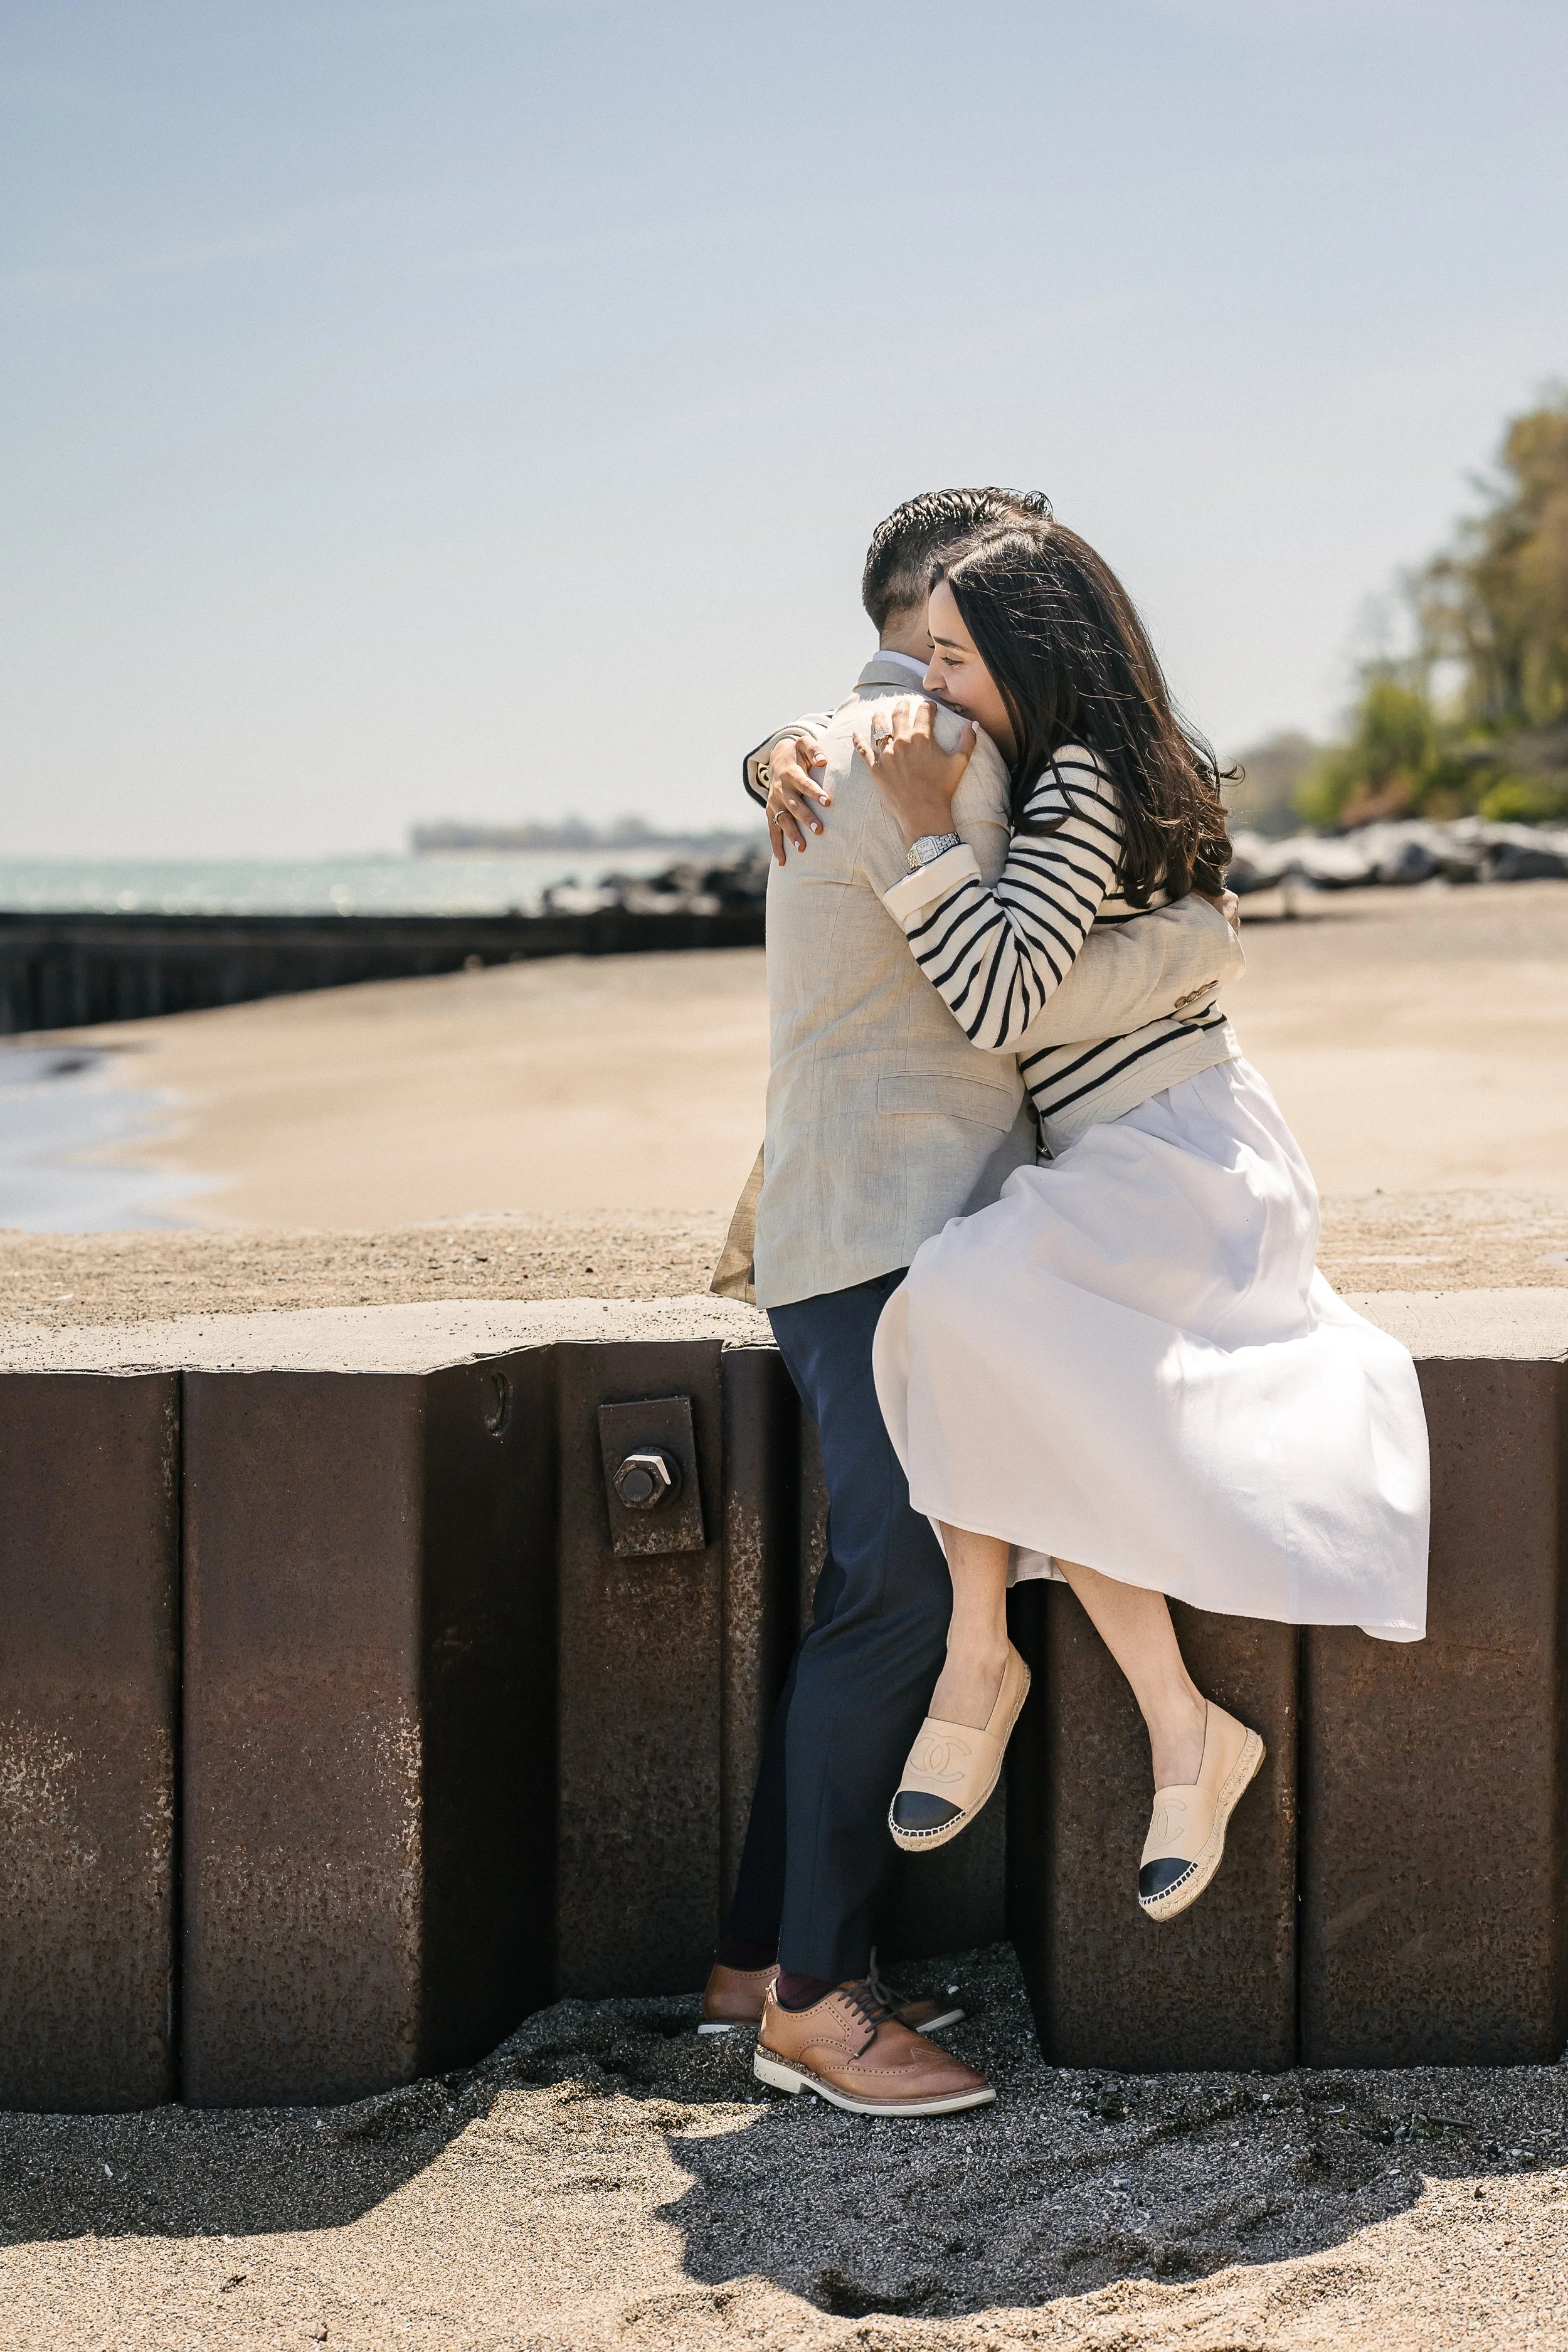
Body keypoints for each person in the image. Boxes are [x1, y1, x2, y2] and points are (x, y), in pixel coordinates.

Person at [704, 488, 1249, 2116]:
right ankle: (810, 2004)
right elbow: (1019, 993)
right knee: (888, 1591)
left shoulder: (837, 737)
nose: (971, 654)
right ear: (929, 610)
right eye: (956, 626)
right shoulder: (913, 750)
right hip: (888, 1238)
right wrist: (1201, 950)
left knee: (873, 1581)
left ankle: (759, 1954)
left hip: (865, 1232)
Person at [854, 520, 1429, 1928]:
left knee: (962, 1305)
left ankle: (983, 1657)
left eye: (950, 658)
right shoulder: (1068, 758)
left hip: (1174, 1159)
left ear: (1030, 657)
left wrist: (926, 832)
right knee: (1034, 1367)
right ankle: (1175, 1724)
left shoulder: (1077, 783)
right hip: (1157, 1149)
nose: (926, 688)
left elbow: (991, 1001)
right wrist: (783, 763)